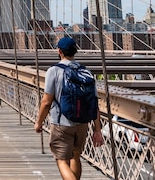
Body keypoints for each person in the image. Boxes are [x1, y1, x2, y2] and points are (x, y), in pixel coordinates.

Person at [33, 37, 104, 180]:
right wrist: (97, 129)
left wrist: (39, 122)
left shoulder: (54, 71)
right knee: (75, 155)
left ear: (59, 51)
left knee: (61, 160)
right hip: (82, 123)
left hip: (61, 123)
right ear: (75, 52)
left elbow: (46, 101)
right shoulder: (86, 71)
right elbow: (94, 103)